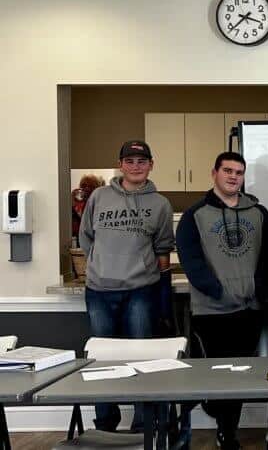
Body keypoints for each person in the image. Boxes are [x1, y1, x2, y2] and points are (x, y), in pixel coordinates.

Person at [176, 151, 268, 449]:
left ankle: (227, 433)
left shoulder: (259, 212)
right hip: (212, 311)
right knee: (217, 375)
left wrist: (259, 291)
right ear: (214, 173)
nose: (233, 177)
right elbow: (191, 261)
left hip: (249, 309)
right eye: (228, 171)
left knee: (240, 376)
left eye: (239, 172)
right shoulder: (195, 215)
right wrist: (218, 291)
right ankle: (214, 413)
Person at [78, 140, 174, 432]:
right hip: (99, 290)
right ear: (120, 165)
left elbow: (163, 250)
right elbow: (86, 237)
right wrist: (102, 263)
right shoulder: (99, 197)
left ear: (151, 165)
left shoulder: (160, 204)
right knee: (102, 360)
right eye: (129, 161)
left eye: (141, 161)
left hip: (140, 291)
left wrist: (158, 285)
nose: (135, 166)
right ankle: (106, 423)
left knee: (140, 359)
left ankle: (143, 424)